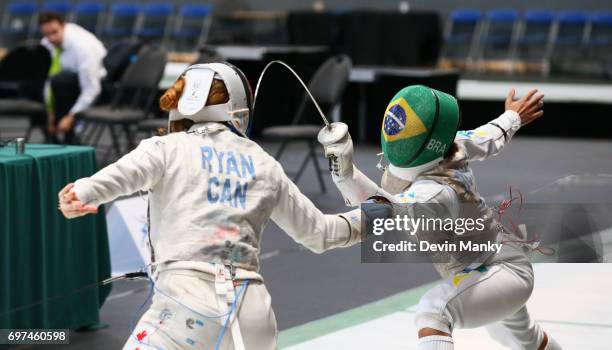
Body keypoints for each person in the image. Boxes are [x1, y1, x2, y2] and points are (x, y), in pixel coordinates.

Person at [57, 62, 360, 350]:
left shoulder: (165, 148)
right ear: (239, 107)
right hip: (253, 314)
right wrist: (378, 214)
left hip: (183, 308)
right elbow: (320, 233)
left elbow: (111, 181)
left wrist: (80, 194)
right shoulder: (265, 164)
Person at [319, 85, 562, 350]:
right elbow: (491, 134)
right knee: (526, 340)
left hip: (500, 270)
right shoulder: (453, 145)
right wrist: (513, 116)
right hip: (494, 263)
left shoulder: (436, 191)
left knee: (434, 313)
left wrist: (344, 181)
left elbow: (388, 212)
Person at [39, 11, 107, 144]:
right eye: (46, 34)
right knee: (32, 83)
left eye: (54, 32)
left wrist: (71, 116)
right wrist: (49, 113)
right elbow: (48, 81)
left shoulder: (82, 47)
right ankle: (51, 133)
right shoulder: (47, 43)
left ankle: (70, 138)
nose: (51, 39)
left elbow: (92, 89)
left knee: (61, 81)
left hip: (97, 87)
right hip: (65, 88)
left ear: (63, 26)